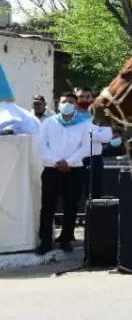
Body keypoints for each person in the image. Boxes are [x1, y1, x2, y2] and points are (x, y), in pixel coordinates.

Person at [36, 92, 90, 254]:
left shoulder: (84, 125)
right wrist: (56, 161)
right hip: (51, 169)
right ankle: (45, 241)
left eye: (71, 102)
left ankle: (66, 240)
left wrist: (69, 162)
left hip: (74, 170)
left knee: (71, 206)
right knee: (48, 207)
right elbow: (41, 145)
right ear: (58, 105)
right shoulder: (49, 123)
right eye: (64, 101)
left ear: (76, 105)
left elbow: (85, 147)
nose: (67, 104)